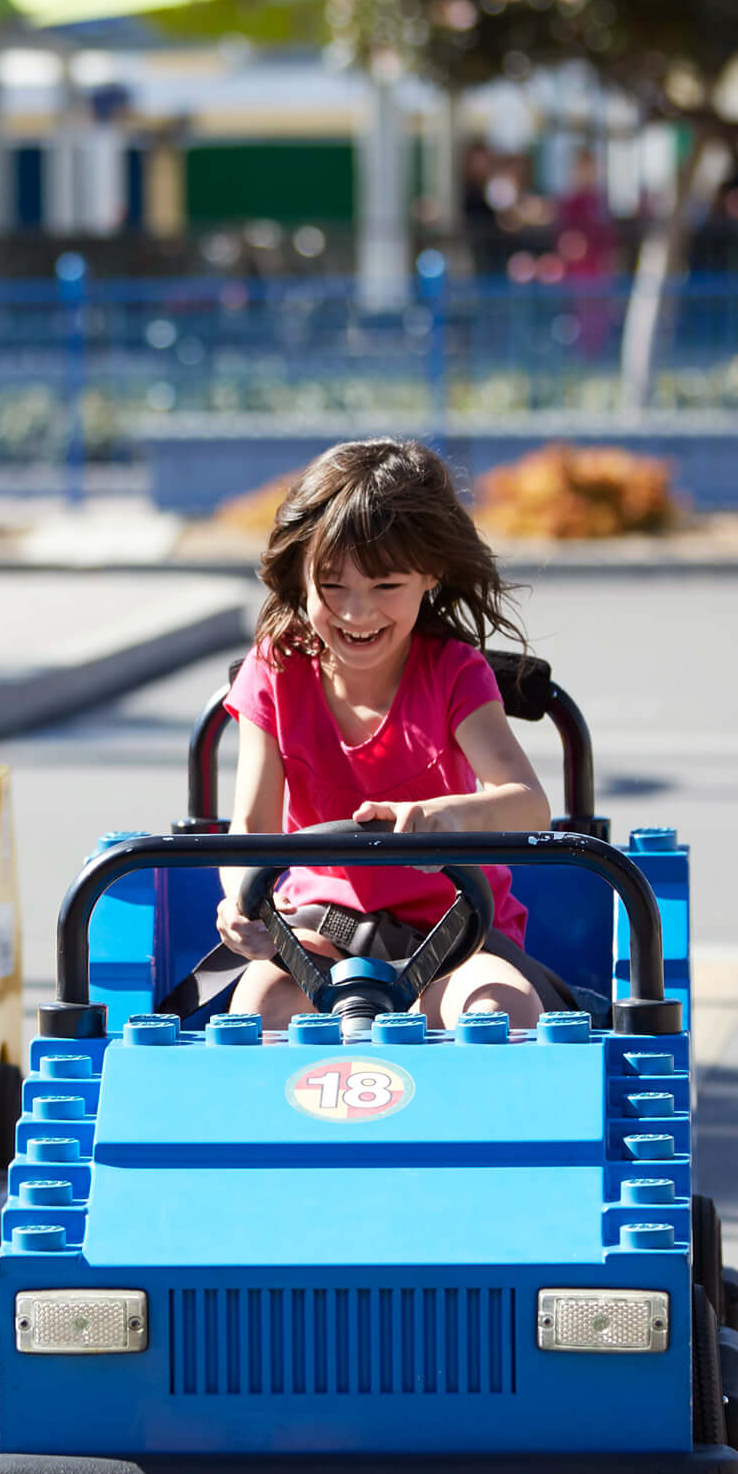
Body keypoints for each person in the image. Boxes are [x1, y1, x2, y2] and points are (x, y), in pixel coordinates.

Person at [211, 438, 560, 1031]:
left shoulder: (453, 672)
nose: (356, 612)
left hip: (454, 934)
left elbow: (528, 805)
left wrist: (445, 818)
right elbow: (252, 826)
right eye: (333, 585)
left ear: (431, 574)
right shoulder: (275, 670)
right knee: (259, 1007)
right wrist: (241, 903)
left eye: (385, 586)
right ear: (300, 574)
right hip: (318, 933)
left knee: (502, 1009)